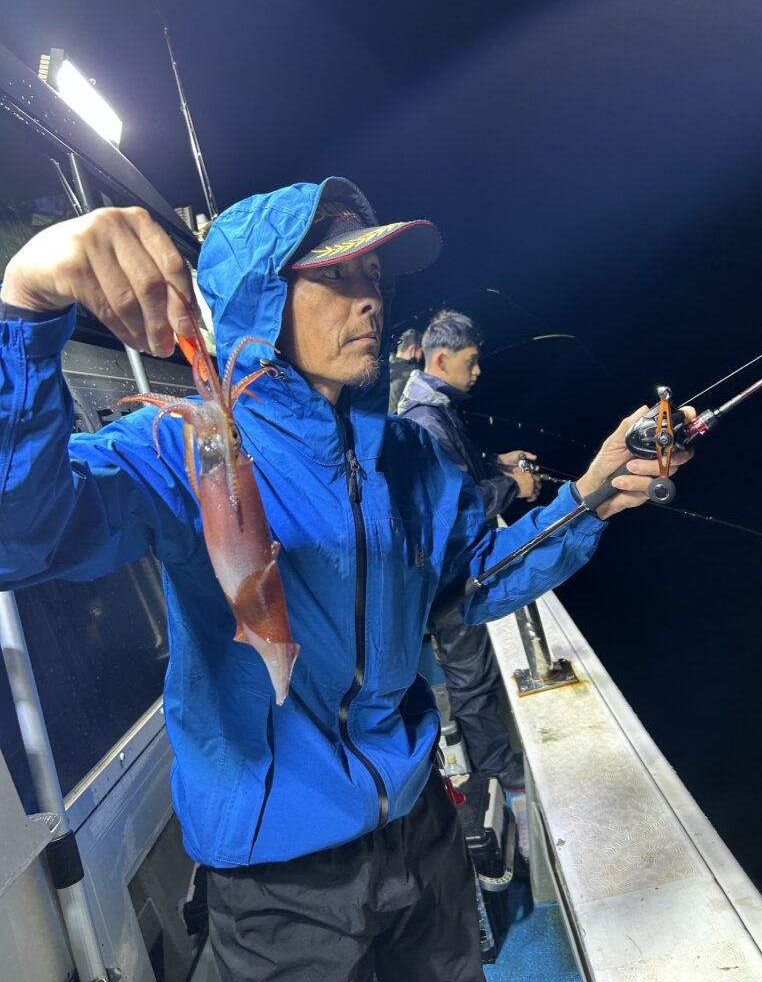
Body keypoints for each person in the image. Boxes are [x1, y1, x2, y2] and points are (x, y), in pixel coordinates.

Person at [0, 178, 691, 982]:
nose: (371, 300)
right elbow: (21, 535)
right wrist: (26, 305)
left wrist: (591, 495)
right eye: (334, 275)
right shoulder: (175, 446)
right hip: (279, 879)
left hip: (419, 826)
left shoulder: (411, 454)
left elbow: (472, 581)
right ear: (262, 297)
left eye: (374, 276)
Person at [398, 309, 541, 789]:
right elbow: (455, 508)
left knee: (473, 668)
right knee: (470, 674)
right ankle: (497, 768)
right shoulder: (425, 420)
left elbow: (456, 470)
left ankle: (493, 759)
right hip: (448, 572)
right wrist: (514, 486)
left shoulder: (434, 408)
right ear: (441, 358)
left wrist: (497, 461)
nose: (477, 371)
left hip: (457, 564)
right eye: (471, 361)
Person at [388, 326, 423, 412]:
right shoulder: (414, 372)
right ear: (413, 350)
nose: (421, 357)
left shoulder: (382, 366)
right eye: (420, 352)